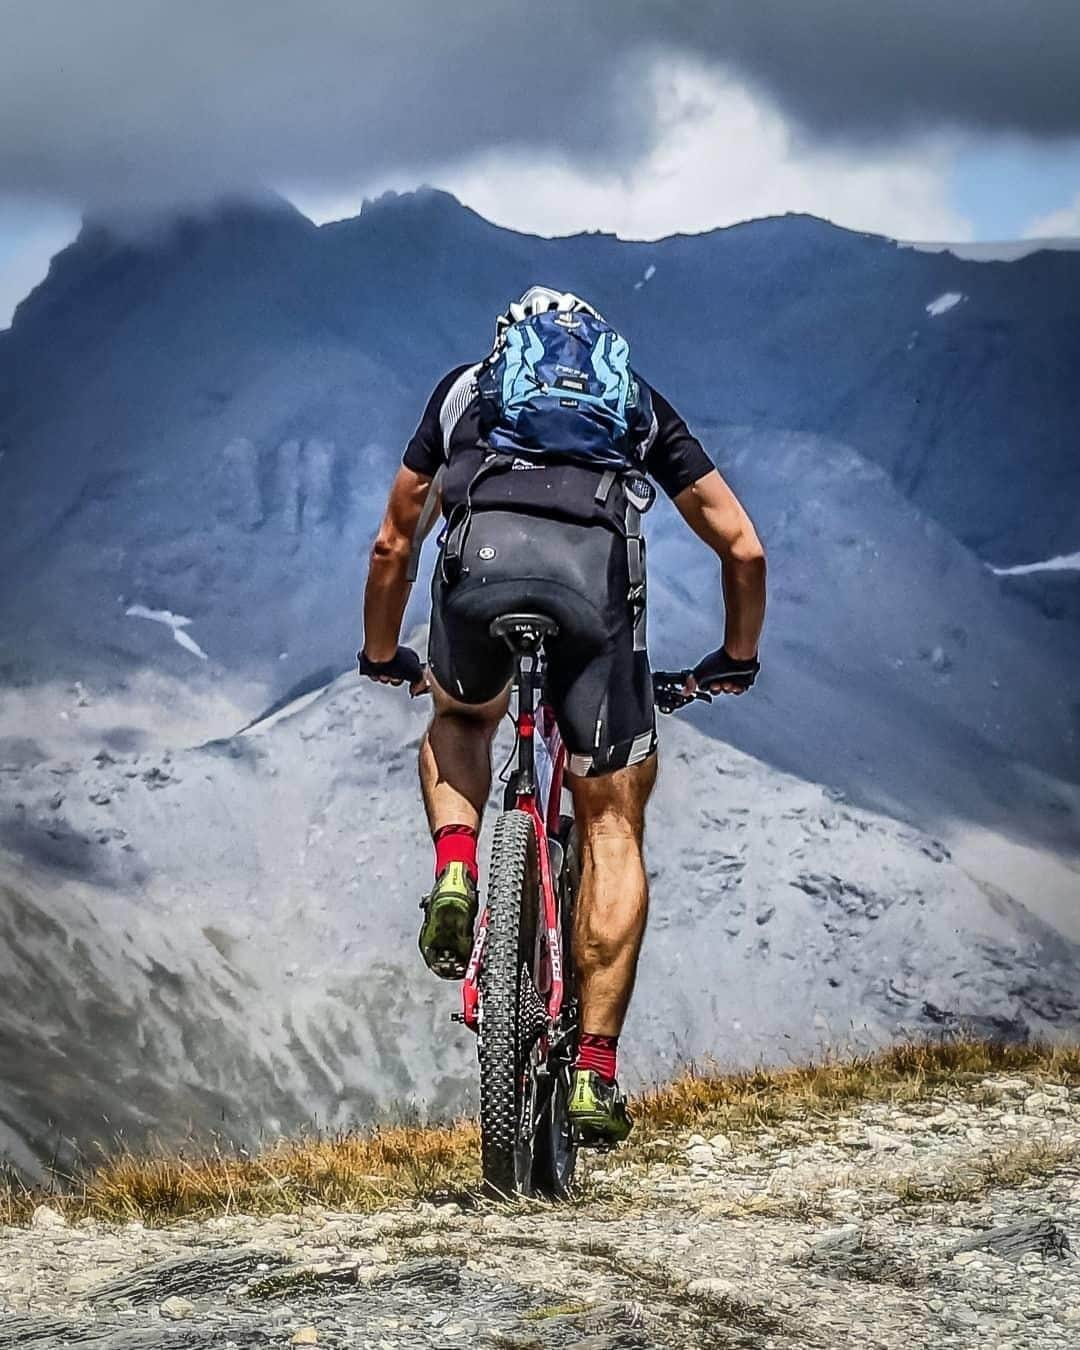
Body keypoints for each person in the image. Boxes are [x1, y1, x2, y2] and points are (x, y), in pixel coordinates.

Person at [359, 286, 766, 1144]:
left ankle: (461, 871)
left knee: (465, 719)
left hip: (478, 582)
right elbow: (742, 546)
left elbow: (395, 541)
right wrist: (735, 657)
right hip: (594, 600)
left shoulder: (465, 390)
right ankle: (594, 1071)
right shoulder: (636, 405)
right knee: (611, 822)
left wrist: (381, 650)